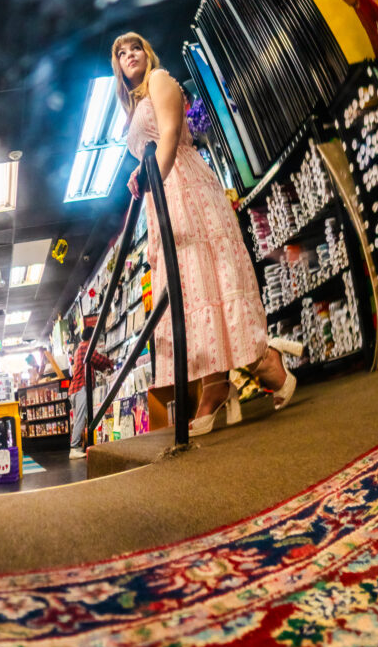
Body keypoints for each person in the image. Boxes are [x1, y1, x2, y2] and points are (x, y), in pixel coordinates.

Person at [112, 32, 301, 436]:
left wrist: (154, 184)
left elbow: (168, 136)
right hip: (166, 193)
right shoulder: (134, 106)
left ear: (148, 53)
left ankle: (264, 361)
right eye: (121, 53)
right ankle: (215, 384)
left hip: (185, 190)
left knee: (207, 279)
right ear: (117, 67)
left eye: (135, 48)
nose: (130, 54)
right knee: (192, 288)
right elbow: (150, 147)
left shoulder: (160, 79)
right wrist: (140, 176)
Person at [68, 325, 113, 457]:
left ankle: (83, 444)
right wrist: (110, 362)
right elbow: (98, 359)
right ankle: (74, 448)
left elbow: (95, 364)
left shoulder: (80, 348)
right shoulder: (85, 347)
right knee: (81, 418)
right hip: (80, 388)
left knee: (83, 418)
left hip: (76, 389)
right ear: (91, 337)